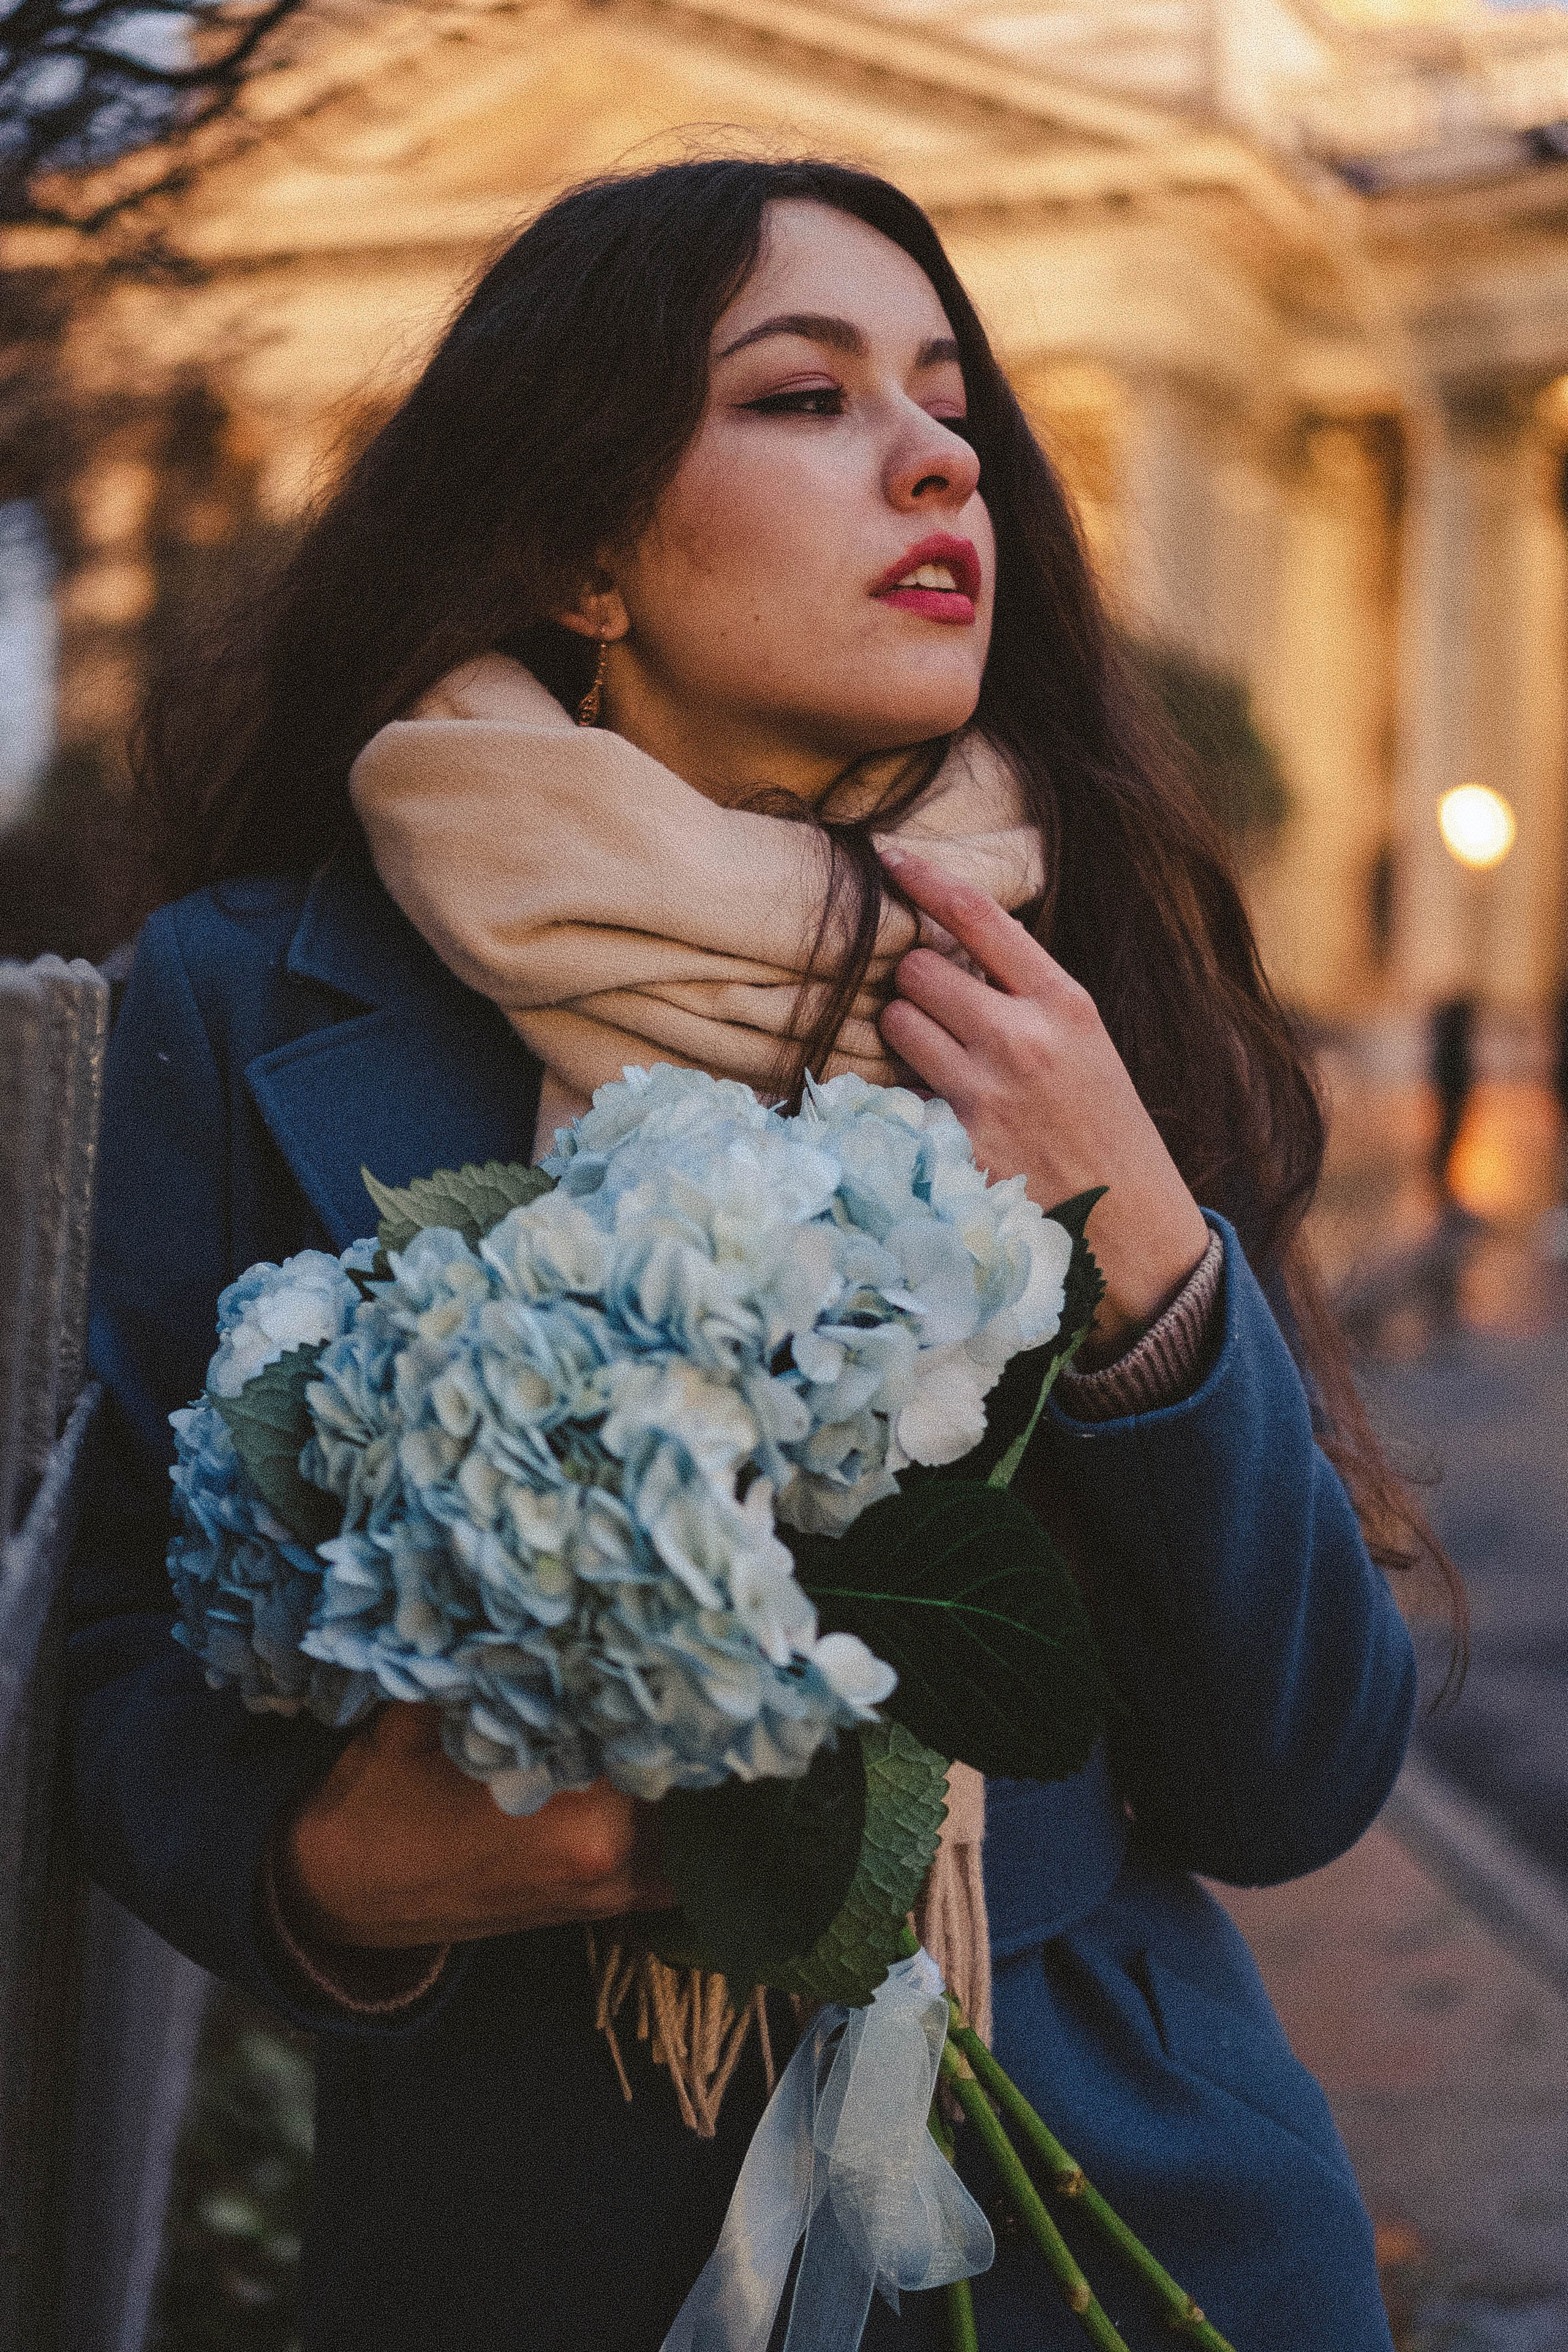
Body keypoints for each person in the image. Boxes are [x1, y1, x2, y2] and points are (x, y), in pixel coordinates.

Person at [74, 159, 1459, 2351]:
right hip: (530, 2257)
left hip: (1136, 2229)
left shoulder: (1065, 977)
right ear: (575, 550)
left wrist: (1149, 1261)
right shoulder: (251, 994)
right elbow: (114, 1662)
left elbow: (1297, 1776)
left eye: (953, 406)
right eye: (804, 399)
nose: (938, 455)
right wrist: (338, 1869)